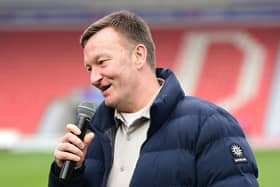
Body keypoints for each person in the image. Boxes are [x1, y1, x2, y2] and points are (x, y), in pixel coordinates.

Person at [48, 10, 259, 187]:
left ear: (138, 55)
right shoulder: (91, 135)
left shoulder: (209, 124)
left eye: (102, 62)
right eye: (89, 68)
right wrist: (67, 175)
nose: (93, 78)